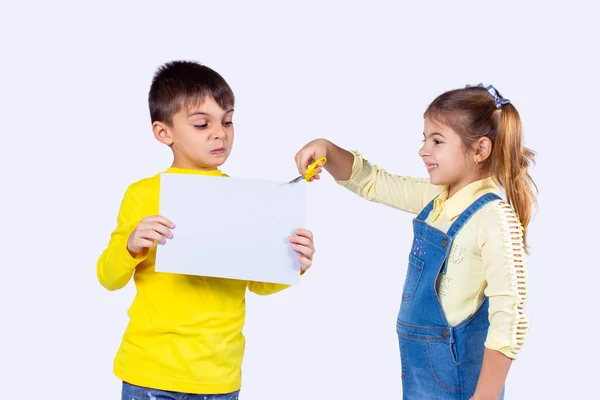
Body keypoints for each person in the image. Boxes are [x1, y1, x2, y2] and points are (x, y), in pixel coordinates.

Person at [294, 84, 536, 399]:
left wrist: (486, 396)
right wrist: (326, 148)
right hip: (419, 371)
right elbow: (373, 182)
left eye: (437, 141)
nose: (424, 150)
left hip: (461, 382)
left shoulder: (494, 218)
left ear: (480, 150)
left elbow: (510, 316)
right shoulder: (437, 199)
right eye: (424, 139)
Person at [97, 60, 316, 400]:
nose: (220, 133)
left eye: (228, 121)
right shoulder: (142, 194)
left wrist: (293, 263)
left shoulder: (245, 199)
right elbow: (108, 277)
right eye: (202, 124)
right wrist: (131, 245)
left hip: (220, 378)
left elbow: (257, 283)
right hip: (151, 374)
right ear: (163, 132)